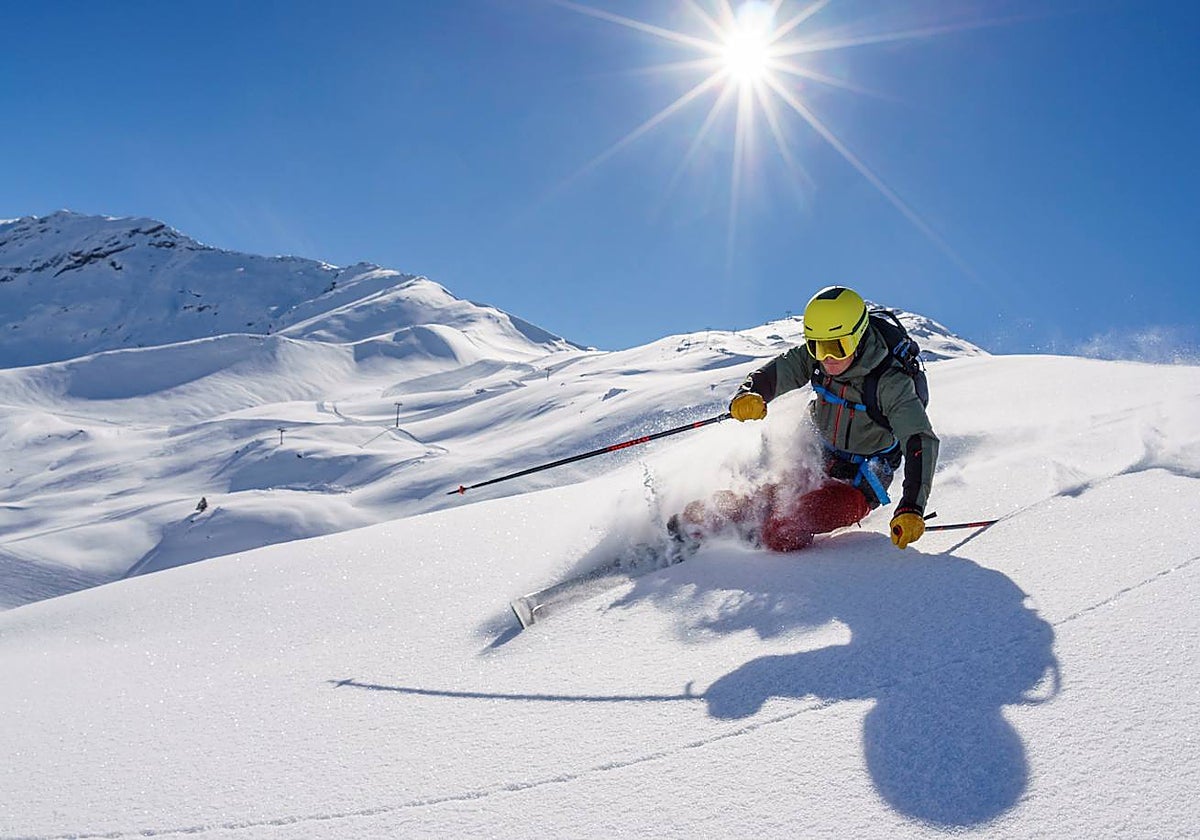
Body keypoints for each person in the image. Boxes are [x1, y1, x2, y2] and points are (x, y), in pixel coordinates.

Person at [671, 285, 938, 552]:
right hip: (816, 455)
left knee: (785, 527)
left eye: (837, 346)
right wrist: (750, 394)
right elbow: (782, 369)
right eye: (817, 347)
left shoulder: (890, 383)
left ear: (859, 336)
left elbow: (920, 441)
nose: (828, 358)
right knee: (757, 503)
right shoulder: (818, 354)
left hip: (860, 482)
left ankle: (745, 551)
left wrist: (911, 508)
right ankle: (679, 533)